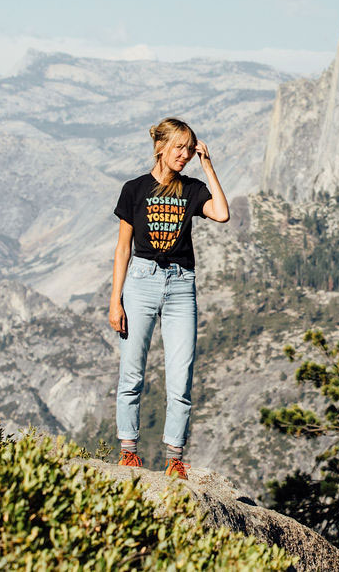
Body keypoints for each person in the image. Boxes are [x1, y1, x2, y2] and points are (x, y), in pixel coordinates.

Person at [108, 117, 229, 479]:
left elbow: (222, 214)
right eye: (179, 148)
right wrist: (115, 301)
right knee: (132, 372)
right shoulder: (134, 189)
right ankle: (129, 453)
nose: (185, 155)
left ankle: (175, 457)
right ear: (160, 147)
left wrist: (208, 166)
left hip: (180, 285)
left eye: (190, 149)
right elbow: (122, 248)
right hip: (141, 282)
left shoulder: (192, 189)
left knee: (181, 376)